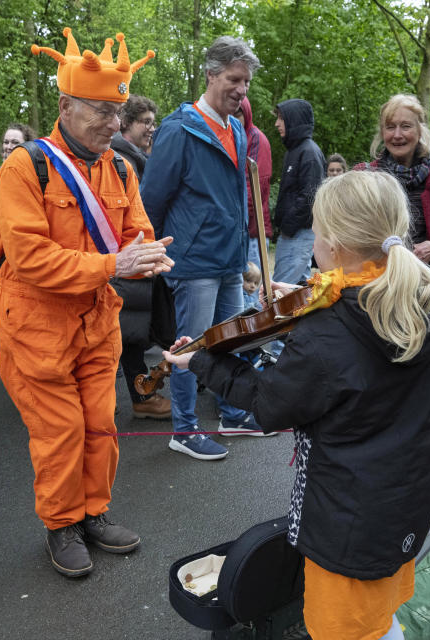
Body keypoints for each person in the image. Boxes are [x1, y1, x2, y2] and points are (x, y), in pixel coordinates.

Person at [163, 170, 430, 640]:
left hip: (347, 519)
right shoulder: (420, 297)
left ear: (333, 243)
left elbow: (269, 403)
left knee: (344, 628)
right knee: (377, 614)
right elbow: (354, 360)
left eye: (316, 232)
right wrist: (302, 302)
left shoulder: (327, 333)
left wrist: (202, 363)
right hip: (402, 502)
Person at [0, 27, 170, 577]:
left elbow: (137, 231)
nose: (114, 125)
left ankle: (94, 512)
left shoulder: (120, 167)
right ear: (66, 105)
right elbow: (28, 258)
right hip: (36, 322)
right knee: (59, 431)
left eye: (118, 114)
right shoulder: (25, 166)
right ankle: (61, 524)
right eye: (101, 112)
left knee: (100, 423)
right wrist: (113, 265)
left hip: (99, 319)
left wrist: (149, 255)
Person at [141, 36, 271, 461]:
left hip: (229, 259)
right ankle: (185, 428)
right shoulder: (179, 130)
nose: (241, 89)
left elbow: (234, 198)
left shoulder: (235, 128)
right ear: (211, 74)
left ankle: (233, 413)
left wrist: (244, 255)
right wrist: (159, 255)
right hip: (193, 261)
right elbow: (152, 199)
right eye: (234, 79)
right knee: (188, 348)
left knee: (230, 342)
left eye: (246, 82)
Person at [354, 94, 430, 308]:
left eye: (405, 126)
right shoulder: (363, 176)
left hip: (424, 294)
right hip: (373, 293)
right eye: (390, 127)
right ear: (382, 133)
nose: (397, 135)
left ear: (420, 131)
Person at [110, 95, 171, 421]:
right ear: (127, 124)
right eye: (145, 122)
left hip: (136, 256)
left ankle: (132, 395)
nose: (151, 128)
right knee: (128, 332)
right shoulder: (122, 159)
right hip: (126, 259)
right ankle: (140, 398)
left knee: (130, 332)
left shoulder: (134, 157)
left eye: (152, 121)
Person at [0, 122, 36, 374]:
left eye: (15, 142)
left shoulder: (29, 177)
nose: (9, 146)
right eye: (6, 142)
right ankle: (6, 357)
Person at [272, 99, 325, 285]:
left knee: (279, 292)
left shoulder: (309, 152)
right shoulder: (294, 151)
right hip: (292, 233)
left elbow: (310, 197)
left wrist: (287, 225)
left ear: (294, 120)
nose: (276, 124)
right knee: (298, 292)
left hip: (298, 234)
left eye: (281, 118)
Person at [236, 97, 272, 271]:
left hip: (252, 230)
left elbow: (256, 187)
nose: (233, 120)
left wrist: (236, 218)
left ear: (247, 114)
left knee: (252, 289)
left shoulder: (256, 139)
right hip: (239, 229)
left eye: (238, 115)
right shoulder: (233, 138)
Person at [110, 94, 156, 180]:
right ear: (126, 122)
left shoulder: (136, 157)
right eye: (147, 122)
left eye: (153, 123)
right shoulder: (119, 161)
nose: (152, 129)